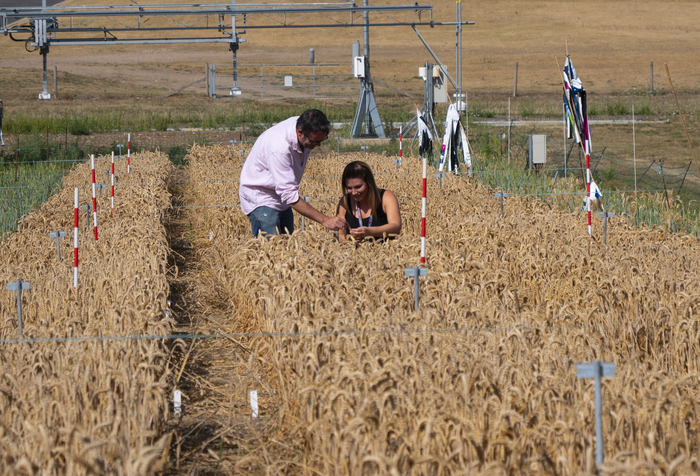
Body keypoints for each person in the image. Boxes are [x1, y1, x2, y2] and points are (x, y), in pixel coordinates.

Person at [239, 109, 348, 237]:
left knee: (288, 246)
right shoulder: (279, 148)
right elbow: (289, 194)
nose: (318, 145)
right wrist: (325, 220)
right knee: (271, 249)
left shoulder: (304, 126)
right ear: (300, 132)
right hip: (261, 195)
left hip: (281, 197)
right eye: (314, 141)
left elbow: (286, 193)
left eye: (321, 140)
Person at [336, 161, 401, 242]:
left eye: (358, 187)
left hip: (385, 252)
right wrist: (350, 238)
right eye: (349, 188)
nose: (354, 192)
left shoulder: (386, 197)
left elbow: (396, 227)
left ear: (369, 183)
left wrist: (369, 232)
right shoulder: (345, 201)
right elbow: (340, 236)